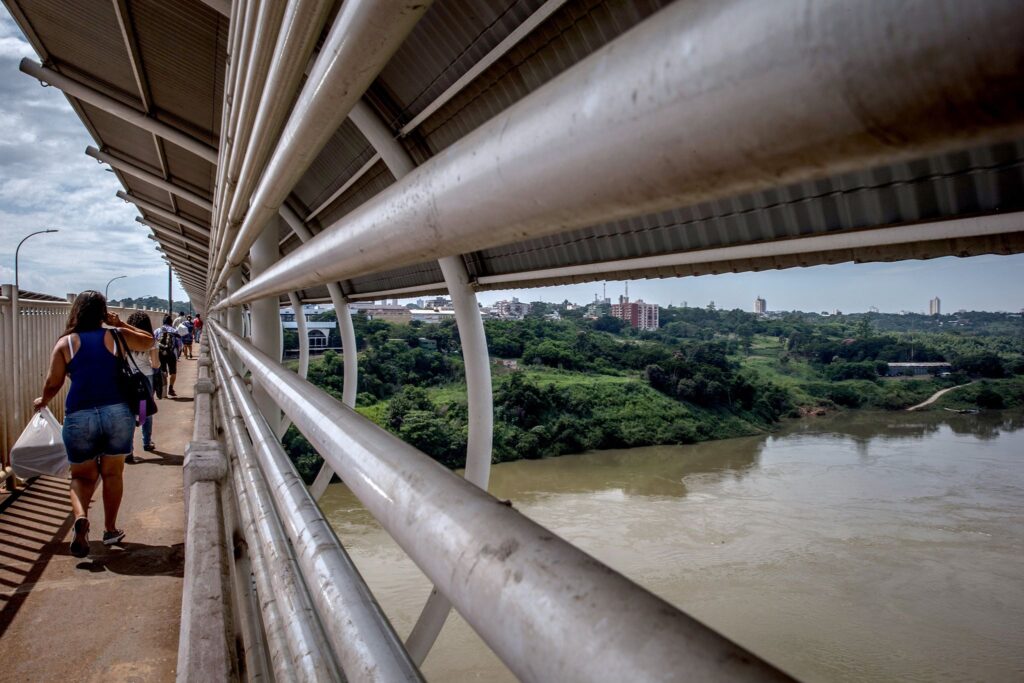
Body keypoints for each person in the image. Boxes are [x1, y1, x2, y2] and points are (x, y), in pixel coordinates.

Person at [33, 291, 155, 557]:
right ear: (102, 313)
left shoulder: (66, 343)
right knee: (113, 473)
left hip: (79, 415)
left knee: (81, 476)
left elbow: (53, 382)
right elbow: (148, 341)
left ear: (76, 311)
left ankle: (80, 517)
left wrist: (43, 400)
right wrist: (120, 324)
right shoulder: (115, 337)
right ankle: (110, 529)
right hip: (116, 413)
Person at [125, 312, 159, 462]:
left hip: (127, 378)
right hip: (145, 378)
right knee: (145, 410)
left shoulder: (123, 339)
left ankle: (128, 451)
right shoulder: (151, 341)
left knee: (129, 412)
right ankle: (146, 442)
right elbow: (156, 364)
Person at [156, 314, 183, 397]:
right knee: (173, 372)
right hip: (171, 354)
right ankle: (170, 388)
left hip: (160, 353)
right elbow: (179, 344)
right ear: (171, 322)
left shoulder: (157, 330)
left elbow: (153, 343)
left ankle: (164, 391)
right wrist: (178, 354)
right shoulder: (174, 330)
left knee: (163, 371)